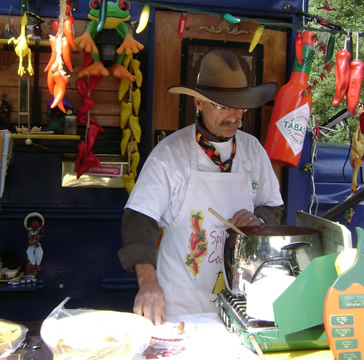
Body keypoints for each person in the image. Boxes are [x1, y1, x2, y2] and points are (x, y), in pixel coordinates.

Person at [118, 50, 284, 324]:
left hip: (241, 302)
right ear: (198, 102)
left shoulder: (253, 150)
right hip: (182, 305)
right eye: (222, 106)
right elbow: (139, 219)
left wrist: (259, 222)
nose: (233, 116)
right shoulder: (170, 154)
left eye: (239, 105)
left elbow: (273, 205)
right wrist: (148, 282)